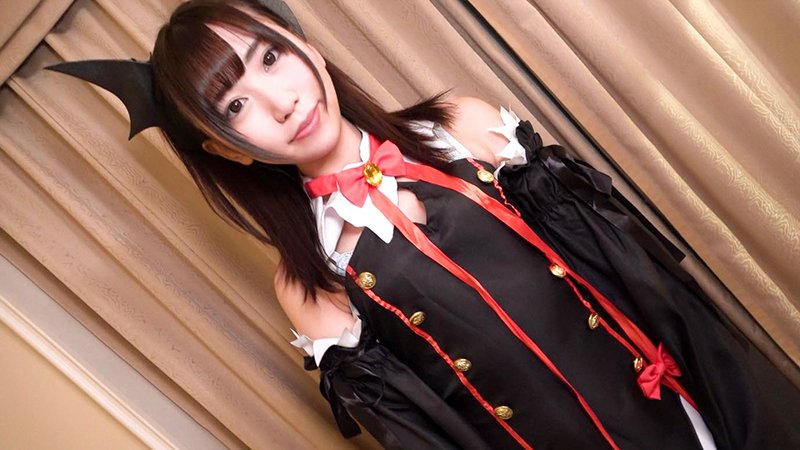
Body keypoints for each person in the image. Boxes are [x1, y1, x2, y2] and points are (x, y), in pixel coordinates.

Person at [50, 0, 800, 448]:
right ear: (225, 149)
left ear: (306, 45)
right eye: (236, 104)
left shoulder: (462, 129)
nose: (279, 101)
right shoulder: (311, 284)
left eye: (270, 57)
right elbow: (431, 436)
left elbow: (636, 273)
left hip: (696, 415)